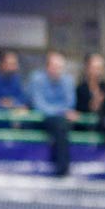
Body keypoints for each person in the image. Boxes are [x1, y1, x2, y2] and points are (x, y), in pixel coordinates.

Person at [26, 49, 79, 177]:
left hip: (61, 122)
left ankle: (62, 168)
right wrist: (61, 112)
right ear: (47, 66)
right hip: (42, 120)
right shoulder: (36, 79)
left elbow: (70, 103)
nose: (58, 70)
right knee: (60, 124)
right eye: (55, 66)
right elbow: (40, 106)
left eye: (60, 67)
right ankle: (63, 169)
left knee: (62, 125)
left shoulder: (68, 81)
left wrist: (60, 112)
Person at [74, 52, 105, 146]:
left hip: (103, 128)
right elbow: (78, 111)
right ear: (87, 68)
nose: (96, 72)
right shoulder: (80, 89)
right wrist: (92, 106)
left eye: (99, 68)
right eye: (94, 68)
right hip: (85, 129)